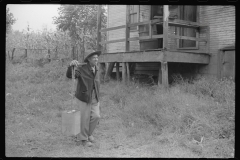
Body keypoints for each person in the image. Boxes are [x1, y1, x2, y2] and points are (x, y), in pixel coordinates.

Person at [66, 51, 101, 147]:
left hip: (94, 96)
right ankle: (83, 139)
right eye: (94, 58)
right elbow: (71, 75)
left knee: (96, 116)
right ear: (88, 59)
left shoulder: (96, 68)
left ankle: (88, 134)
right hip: (84, 97)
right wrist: (71, 66)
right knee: (84, 118)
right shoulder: (82, 68)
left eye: (97, 57)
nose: (96, 59)